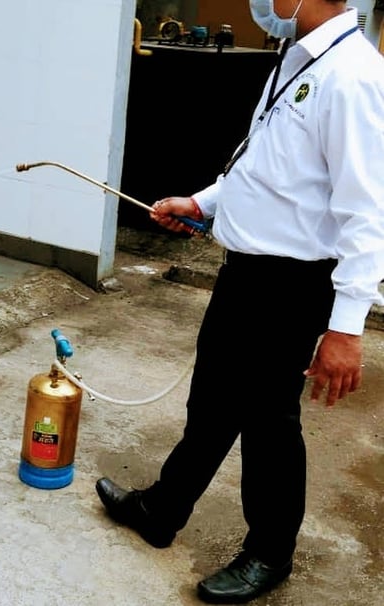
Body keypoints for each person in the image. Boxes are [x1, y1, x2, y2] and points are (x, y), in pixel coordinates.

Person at [95, 1, 384, 603]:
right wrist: (201, 203)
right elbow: (262, 166)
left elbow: (367, 212)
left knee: (269, 423)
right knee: (212, 402)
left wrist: (346, 328)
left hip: (291, 284)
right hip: (245, 274)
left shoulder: (352, 75)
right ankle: (162, 510)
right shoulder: (300, 58)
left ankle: (270, 552)